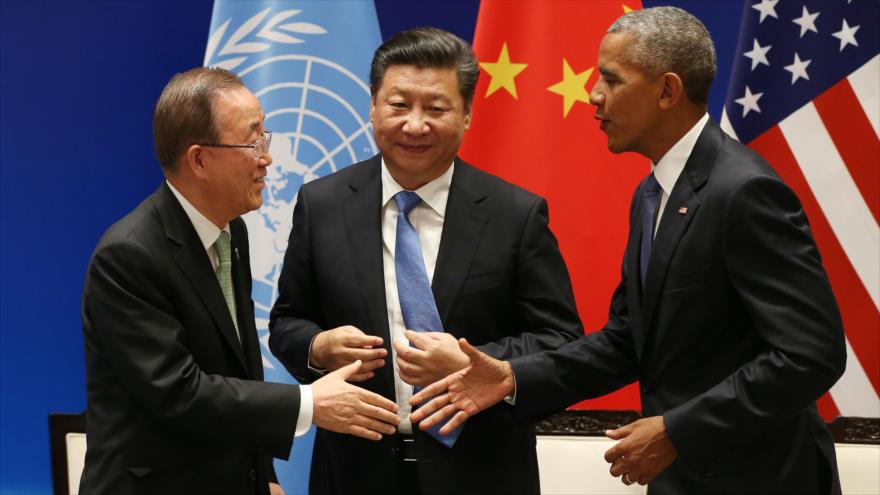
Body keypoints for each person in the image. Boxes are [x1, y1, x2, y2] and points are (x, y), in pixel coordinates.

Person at [411, 7, 846, 495]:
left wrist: (678, 431)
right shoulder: (653, 193)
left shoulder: (743, 191)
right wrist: (512, 377)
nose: (593, 94)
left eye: (612, 79)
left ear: (667, 91)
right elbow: (626, 341)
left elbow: (811, 355)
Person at [268, 27, 582, 495]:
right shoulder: (322, 204)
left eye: (436, 109)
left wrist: (476, 363)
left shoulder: (515, 214)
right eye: (399, 105)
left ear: (467, 113)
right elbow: (287, 322)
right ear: (373, 106)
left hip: (483, 473)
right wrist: (318, 346)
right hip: (355, 472)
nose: (415, 126)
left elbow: (561, 341)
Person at [80, 67, 400, 495]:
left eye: (265, 137)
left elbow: (241, 370)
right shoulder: (129, 256)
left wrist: (262, 475)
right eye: (253, 142)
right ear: (199, 160)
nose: (267, 158)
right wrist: (308, 403)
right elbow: (177, 393)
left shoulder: (232, 232)